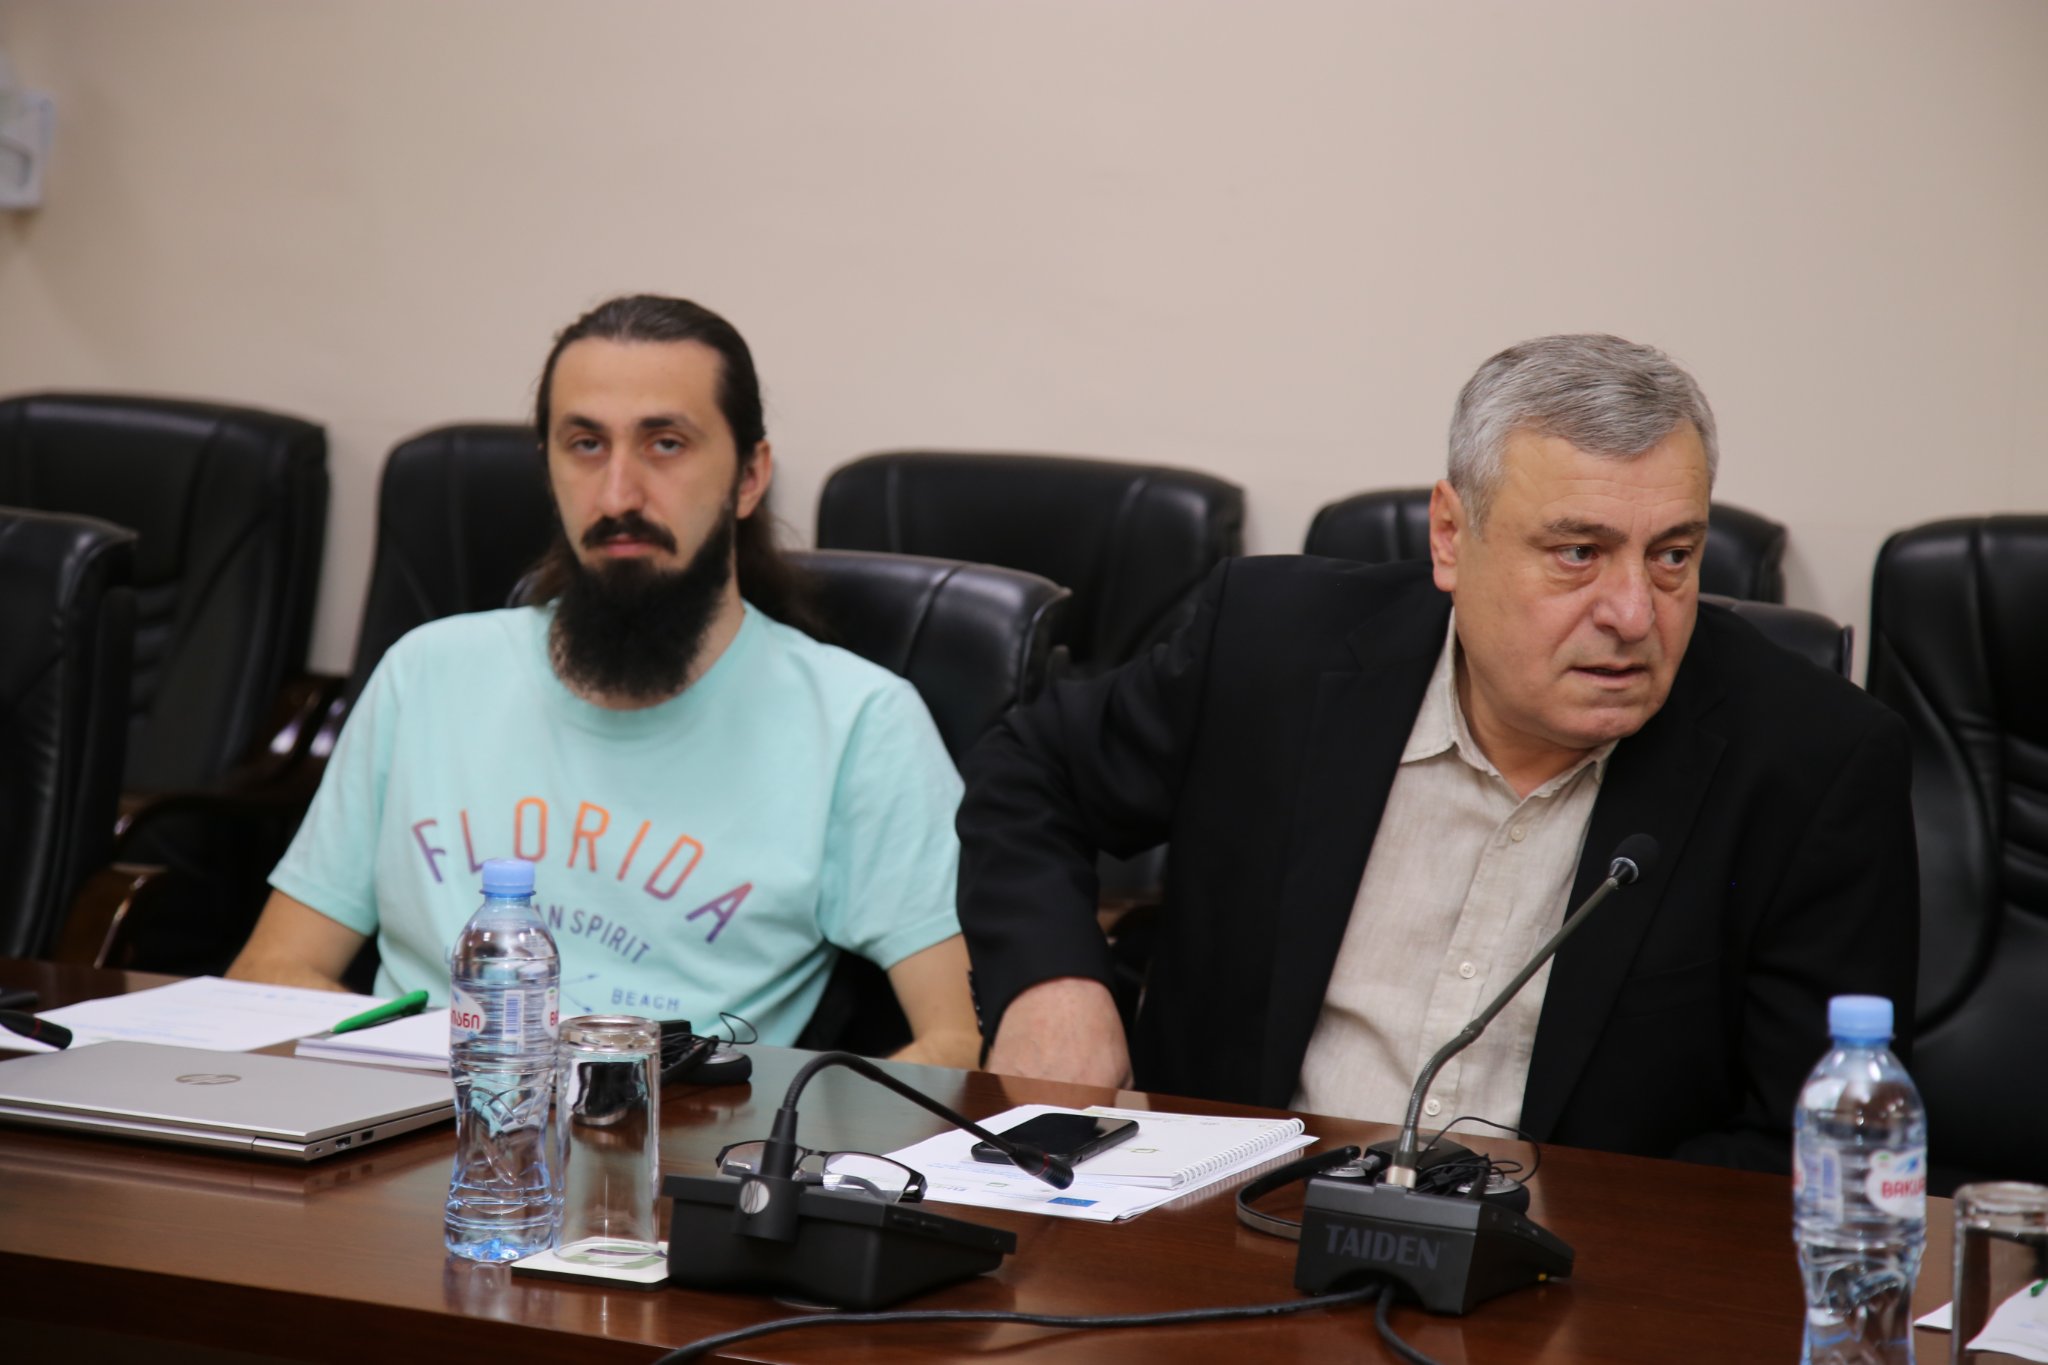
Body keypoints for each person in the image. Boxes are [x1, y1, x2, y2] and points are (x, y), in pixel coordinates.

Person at [957, 333, 1917, 1170]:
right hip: (1222, 1229)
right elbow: (1032, 772)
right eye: (1578, 552)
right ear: (1452, 537)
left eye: (1672, 554)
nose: (1634, 613)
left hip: (1571, 1274)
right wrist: (1052, 981)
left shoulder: (1811, 762)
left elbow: (1809, 1148)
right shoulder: (1268, 647)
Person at [231, 295, 978, 1067]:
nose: (618, 495)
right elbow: (271, 972)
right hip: (418, 1116)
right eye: (585, 444)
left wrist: (806, 1131)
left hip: (682, 1129)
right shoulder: (425, 673)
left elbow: (964, 1039)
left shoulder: (859, 722)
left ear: (749, 477)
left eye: (665, 443)